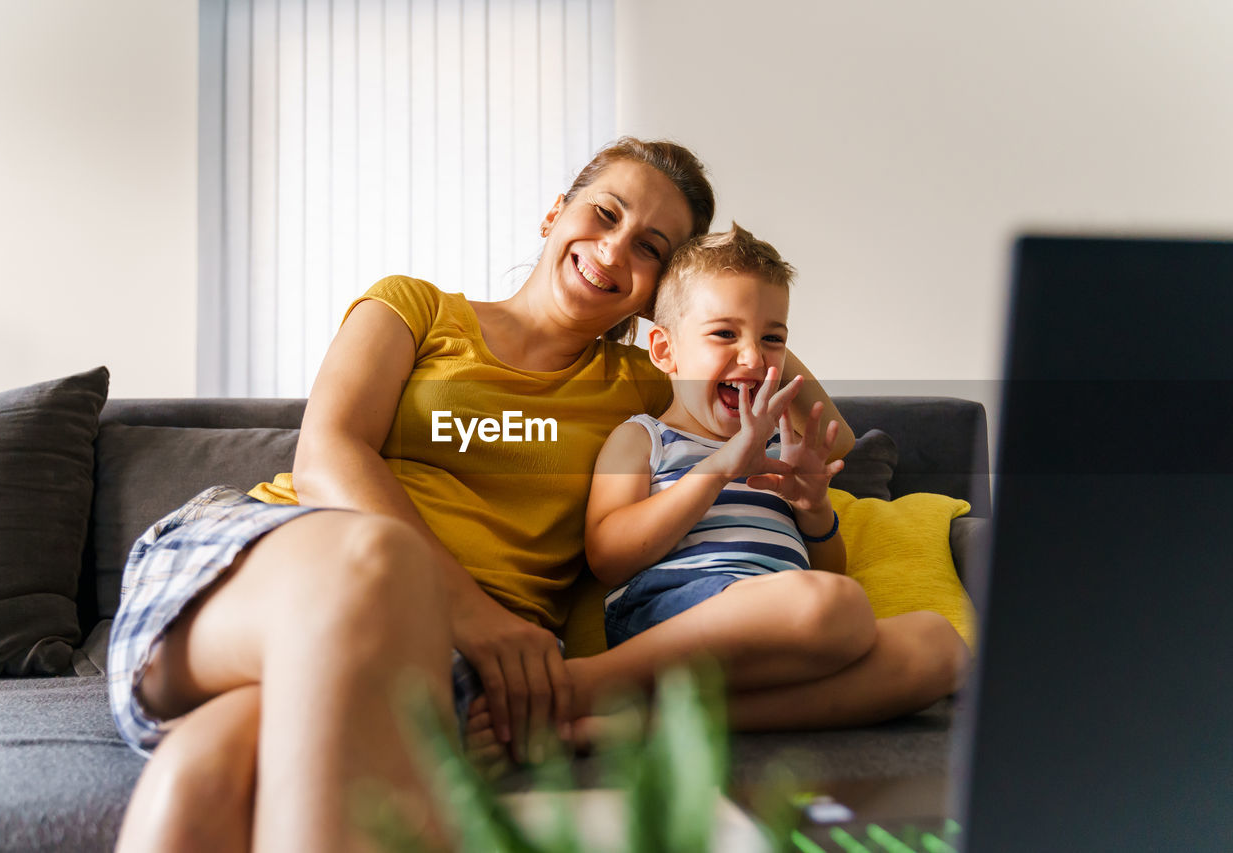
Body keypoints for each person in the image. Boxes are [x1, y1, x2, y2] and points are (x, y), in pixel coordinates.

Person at [107, 138, 960, 852]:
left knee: (212, 767)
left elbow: (827, 430)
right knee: (375, 560)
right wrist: (478, 613)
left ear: (662, 298)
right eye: (607, 213)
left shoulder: (648, 377)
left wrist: (729, 314)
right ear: (555, 214)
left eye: (654, 248)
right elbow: (329, 453)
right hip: (272, 566)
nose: (618, 249)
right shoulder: (415, 308)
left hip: (446, 670)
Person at [576, 224, 967, 732]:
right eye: (723, 333)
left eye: (772, 339)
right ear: (665, 351)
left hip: (788, 634)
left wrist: (815, 511)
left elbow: (830, 567)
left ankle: (643, 727)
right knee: (836, 604)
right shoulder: (644, 439)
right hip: (675, 620)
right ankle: (585, 684)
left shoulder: (784, 449)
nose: (753, 358)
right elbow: (607, 557)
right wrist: (719, 468)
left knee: (942, 646)